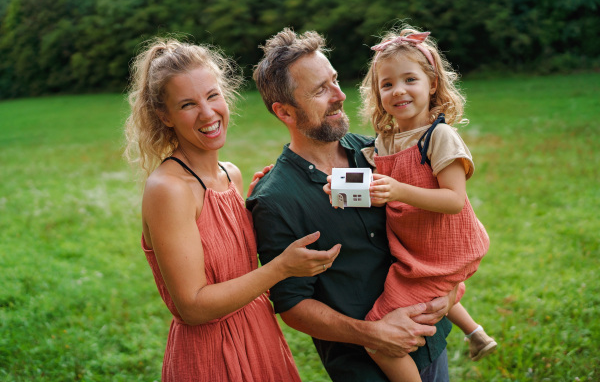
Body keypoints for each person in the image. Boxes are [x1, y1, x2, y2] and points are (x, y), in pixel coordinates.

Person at [123, 37, 340, 382]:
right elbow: (192, 306)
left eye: (212, 96)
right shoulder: (169, 189)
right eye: (187, 105)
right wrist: (282, 268)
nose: (208, 113)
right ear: (164, 116)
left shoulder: (230, 174)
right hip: (211, 354)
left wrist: (254, 209)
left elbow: (230, 261)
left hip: (259, 337)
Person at [247, 28, 456, 382]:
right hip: (366, 368)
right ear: (285, 112)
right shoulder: (274, 199)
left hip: (430, 339)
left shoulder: (380, 152)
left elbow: (435, 224)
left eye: (335, 80)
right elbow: (293, 305)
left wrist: (446, 296)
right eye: (320, 90)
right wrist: (374, 334)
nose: (340, 95)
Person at [340, 25, 497, 381]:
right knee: (434, 300)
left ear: (432, 84)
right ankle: (476, 333)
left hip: (441, 252)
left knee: (379, 336)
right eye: (387, 83)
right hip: (415, 250)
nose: (398, 90)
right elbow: (370, 183)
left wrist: (398, 190)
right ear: (377, 93)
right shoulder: (385, 141)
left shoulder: (439, 136)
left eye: (410, 79)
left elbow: (455, 200)